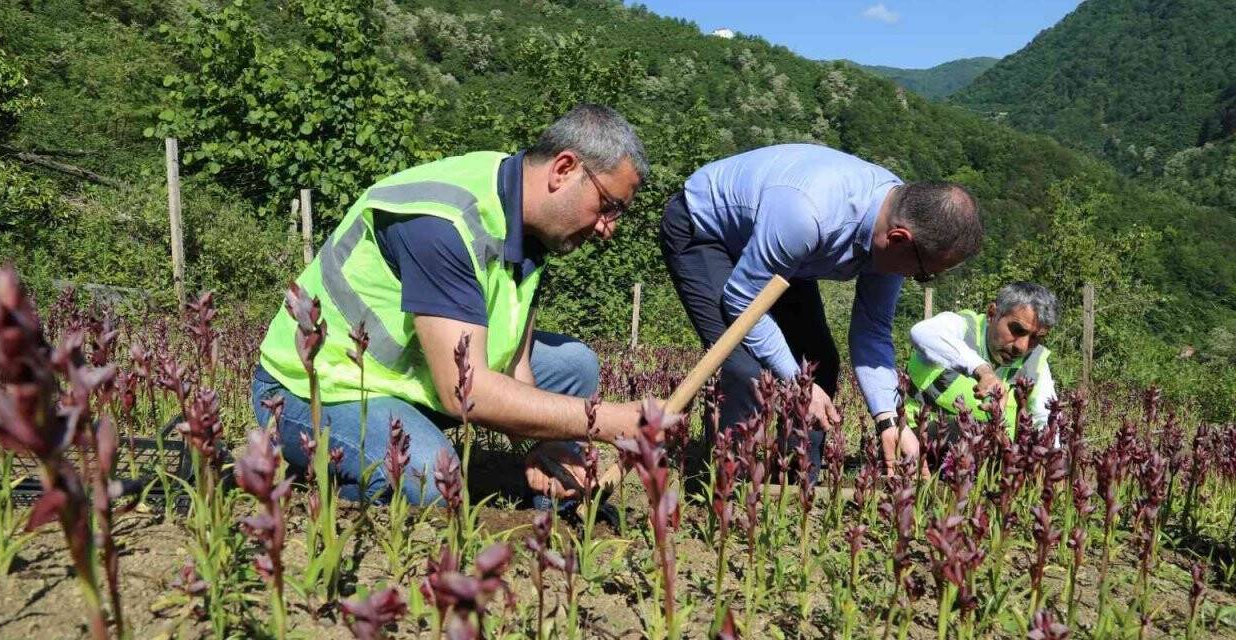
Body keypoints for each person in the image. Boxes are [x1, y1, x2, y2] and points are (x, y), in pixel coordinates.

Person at [251, 105, 650, 505]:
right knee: (430, 475)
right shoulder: (443, 223)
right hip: (316, 389)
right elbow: (465, 389)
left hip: (414, 376)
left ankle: (559, 504)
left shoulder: (530, 219)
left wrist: (545, 443)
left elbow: (516, 363)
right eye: (608, 206)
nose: (608, 228)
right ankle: (284, 467)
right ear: (563, 169)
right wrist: (611, 421)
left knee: (572, 365)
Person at [659, 143, 983, 481]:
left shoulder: (897, 222)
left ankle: (795, 480)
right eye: (922, 273)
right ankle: (728, 486)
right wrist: (798, 383)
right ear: (899, 238)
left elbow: (871, 329)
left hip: (782, 255)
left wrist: (889, 420)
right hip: (707, 231)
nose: (915, 279)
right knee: (743, 366)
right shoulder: (807, 214)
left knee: (819, 360)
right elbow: (743, 300)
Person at [904, 281, 1059, 453]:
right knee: (965, 432)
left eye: (1035, 338)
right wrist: (983, 371)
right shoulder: (962, 327)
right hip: (916, 441)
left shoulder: (1035, 360)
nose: (1022, 346)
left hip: (994, 455)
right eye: (1017, 330)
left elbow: (1044, 419)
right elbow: (921, 332)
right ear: (993, 314)